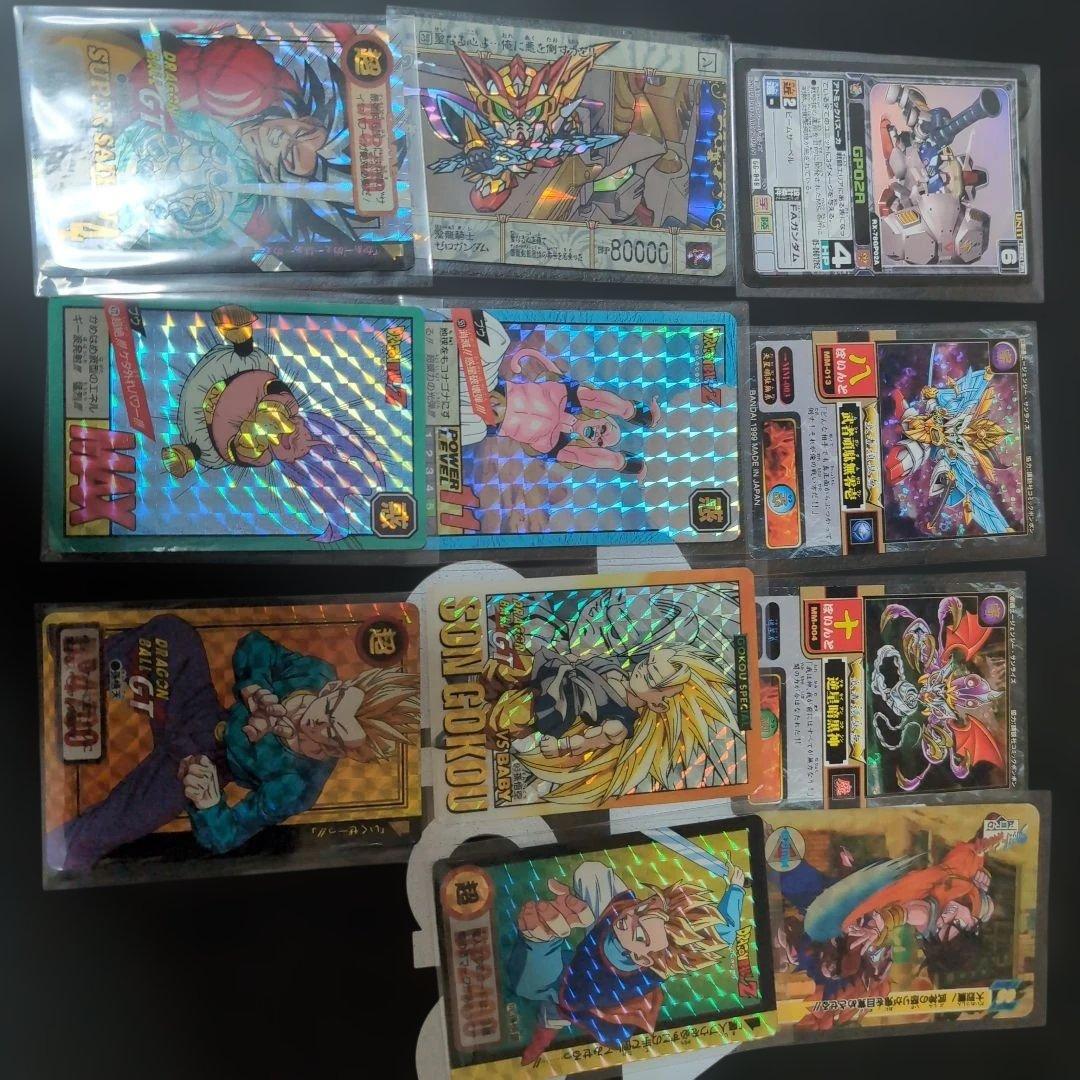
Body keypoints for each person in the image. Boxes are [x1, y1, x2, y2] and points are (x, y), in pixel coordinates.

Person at [47, 615, 419, 872]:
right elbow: (255, 645)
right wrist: (255, 686)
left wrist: (209, 802)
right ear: (336, 689)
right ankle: (83, 662)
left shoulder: (298, 786)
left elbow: (226, 835)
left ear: (344, 751)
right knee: (173, 633)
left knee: (120, 821)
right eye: (331, 708)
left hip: (198, 767)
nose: (319, 723)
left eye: (333, 735)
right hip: (199, 713)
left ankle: (58, 856)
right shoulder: (314, 674)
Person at [510, 859, 746, 1062]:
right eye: (640, 909)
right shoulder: (624, 914)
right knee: (591, 872)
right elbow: (725, 930)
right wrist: (736, 888)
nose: (629, 919)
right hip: (600, 946)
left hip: (588, 1002)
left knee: (550, 1004)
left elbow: (553, 991)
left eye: (640, 934)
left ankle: (539, 1042)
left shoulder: (606, 986)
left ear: (641, 958)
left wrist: (543, 943)